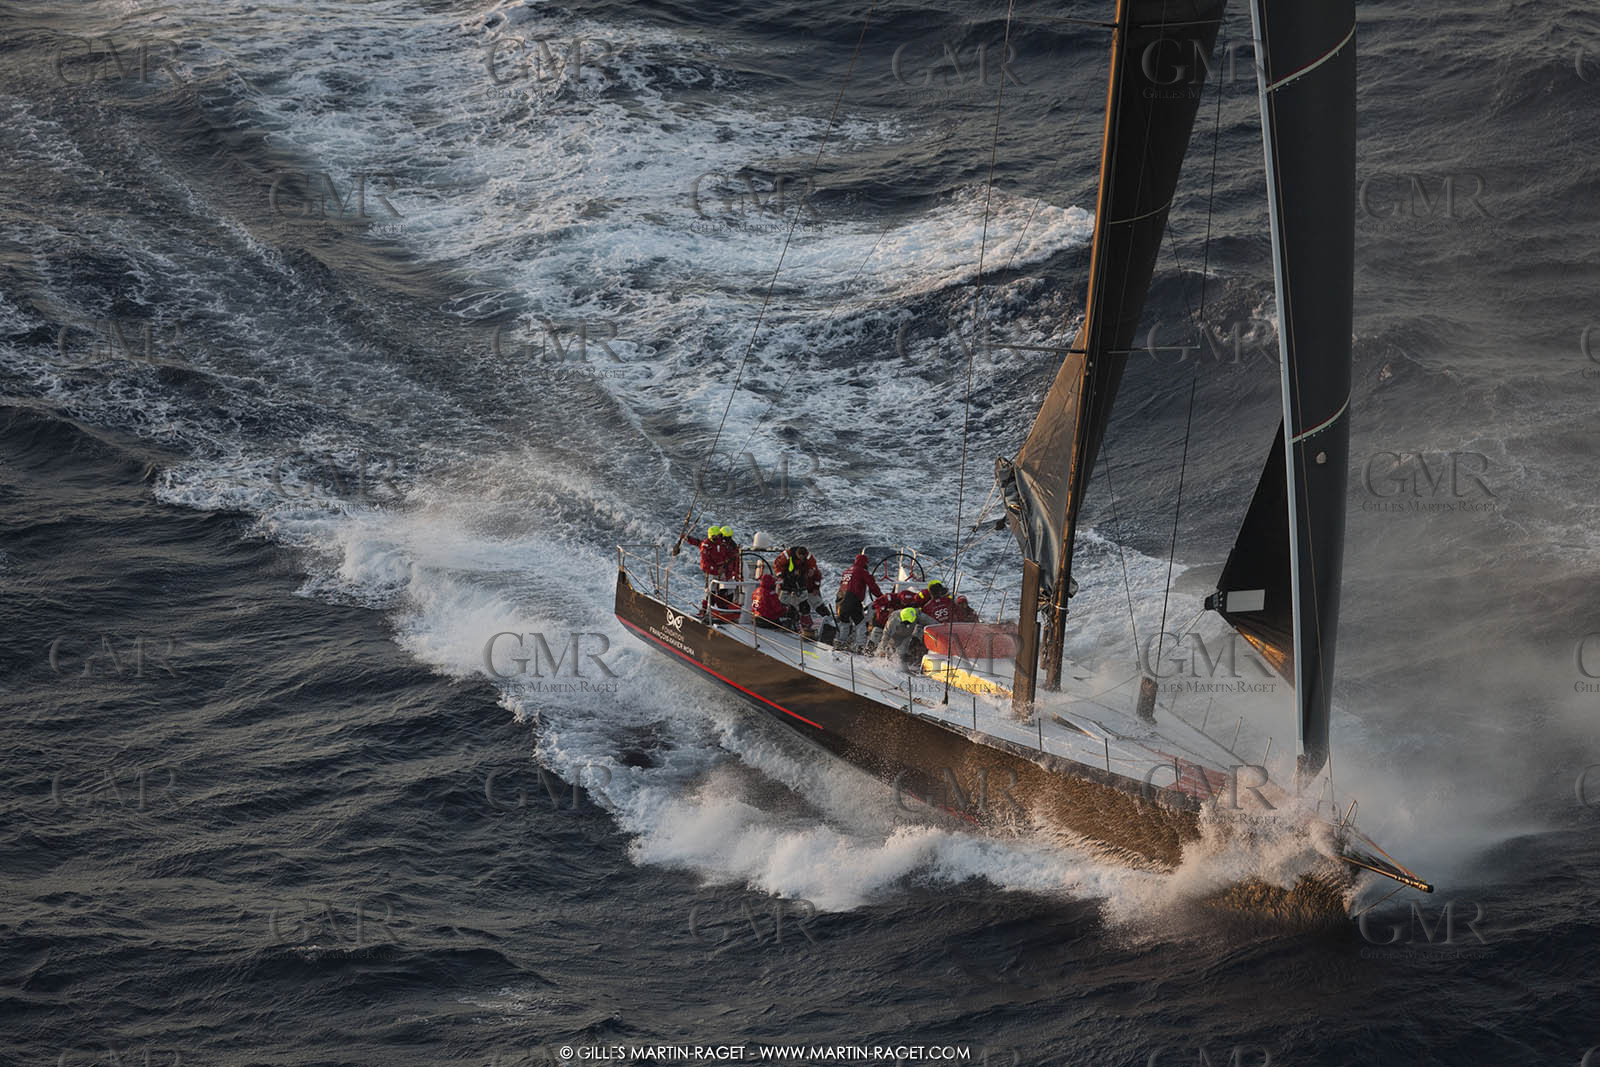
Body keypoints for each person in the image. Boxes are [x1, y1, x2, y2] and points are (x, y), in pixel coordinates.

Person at [773, 545, 828, 638]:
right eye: (800, 557)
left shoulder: (809, 558)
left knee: (804, 605)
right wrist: (781, 576)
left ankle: (806, 624)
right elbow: (777, 565)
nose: (802, 558)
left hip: (801, 584)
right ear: (797, 554)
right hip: (787, 582)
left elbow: (814, 568)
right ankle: (786, 622)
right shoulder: (787, 555)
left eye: (803, 557)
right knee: (785, 603)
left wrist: (813, 574)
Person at [834, 552, 883, 651]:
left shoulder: (847, 571)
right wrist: (881, 597)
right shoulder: (862, 571)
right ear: (864, 563)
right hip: (852, 600)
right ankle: (860, 646)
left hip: (840, 599)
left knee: (844, 622)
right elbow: (872, 586)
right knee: (860, 623)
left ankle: (840, 643)